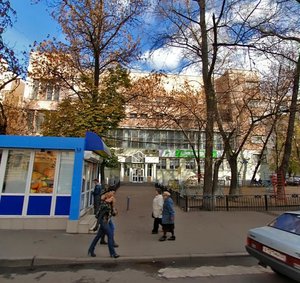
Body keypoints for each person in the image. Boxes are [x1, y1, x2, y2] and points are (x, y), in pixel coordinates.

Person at [88, 192, 120, 258]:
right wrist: (96, 226)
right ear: (109, 198)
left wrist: (114, 212)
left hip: (106, 222)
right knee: (110, 235)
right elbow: (100, 216)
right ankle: (113, 253)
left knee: (98, 237)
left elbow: (111, 214)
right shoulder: (105, 205)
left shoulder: (110, 204)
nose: (113, 198)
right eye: (112, 197)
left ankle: (91, 250)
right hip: (104, 222)